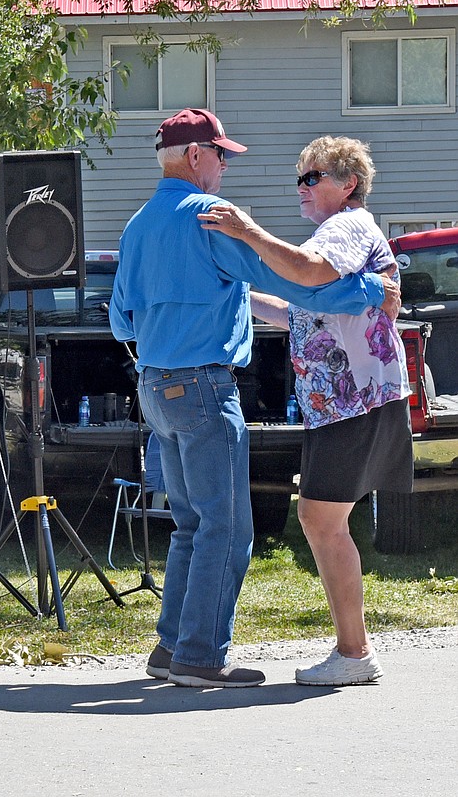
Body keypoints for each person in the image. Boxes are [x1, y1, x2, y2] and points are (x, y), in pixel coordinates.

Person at [109, 108, 400, 688]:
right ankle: (200, 655)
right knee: (229, 526)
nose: (224, 166)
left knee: (190, 523)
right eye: (221, 155)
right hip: (204, 387)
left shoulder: (138, 224)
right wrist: (372, 290)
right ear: (196, 157)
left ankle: (171, 648)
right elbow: (291, 280)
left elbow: (120, 319)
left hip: (154, 385)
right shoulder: (209, 217)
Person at [198, 136, 411, 685]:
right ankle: (353, 651)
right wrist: (237, 289)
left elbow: (311, 273)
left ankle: (355, 654)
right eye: (299, 177)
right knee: (322, 520)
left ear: (348, 185)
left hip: (352, 401)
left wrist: (248, 233)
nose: (302, 187)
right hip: (346, 402)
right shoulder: (341, 231)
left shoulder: (345, 227)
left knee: (320, 520)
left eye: (312, 177)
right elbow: (300, 305)